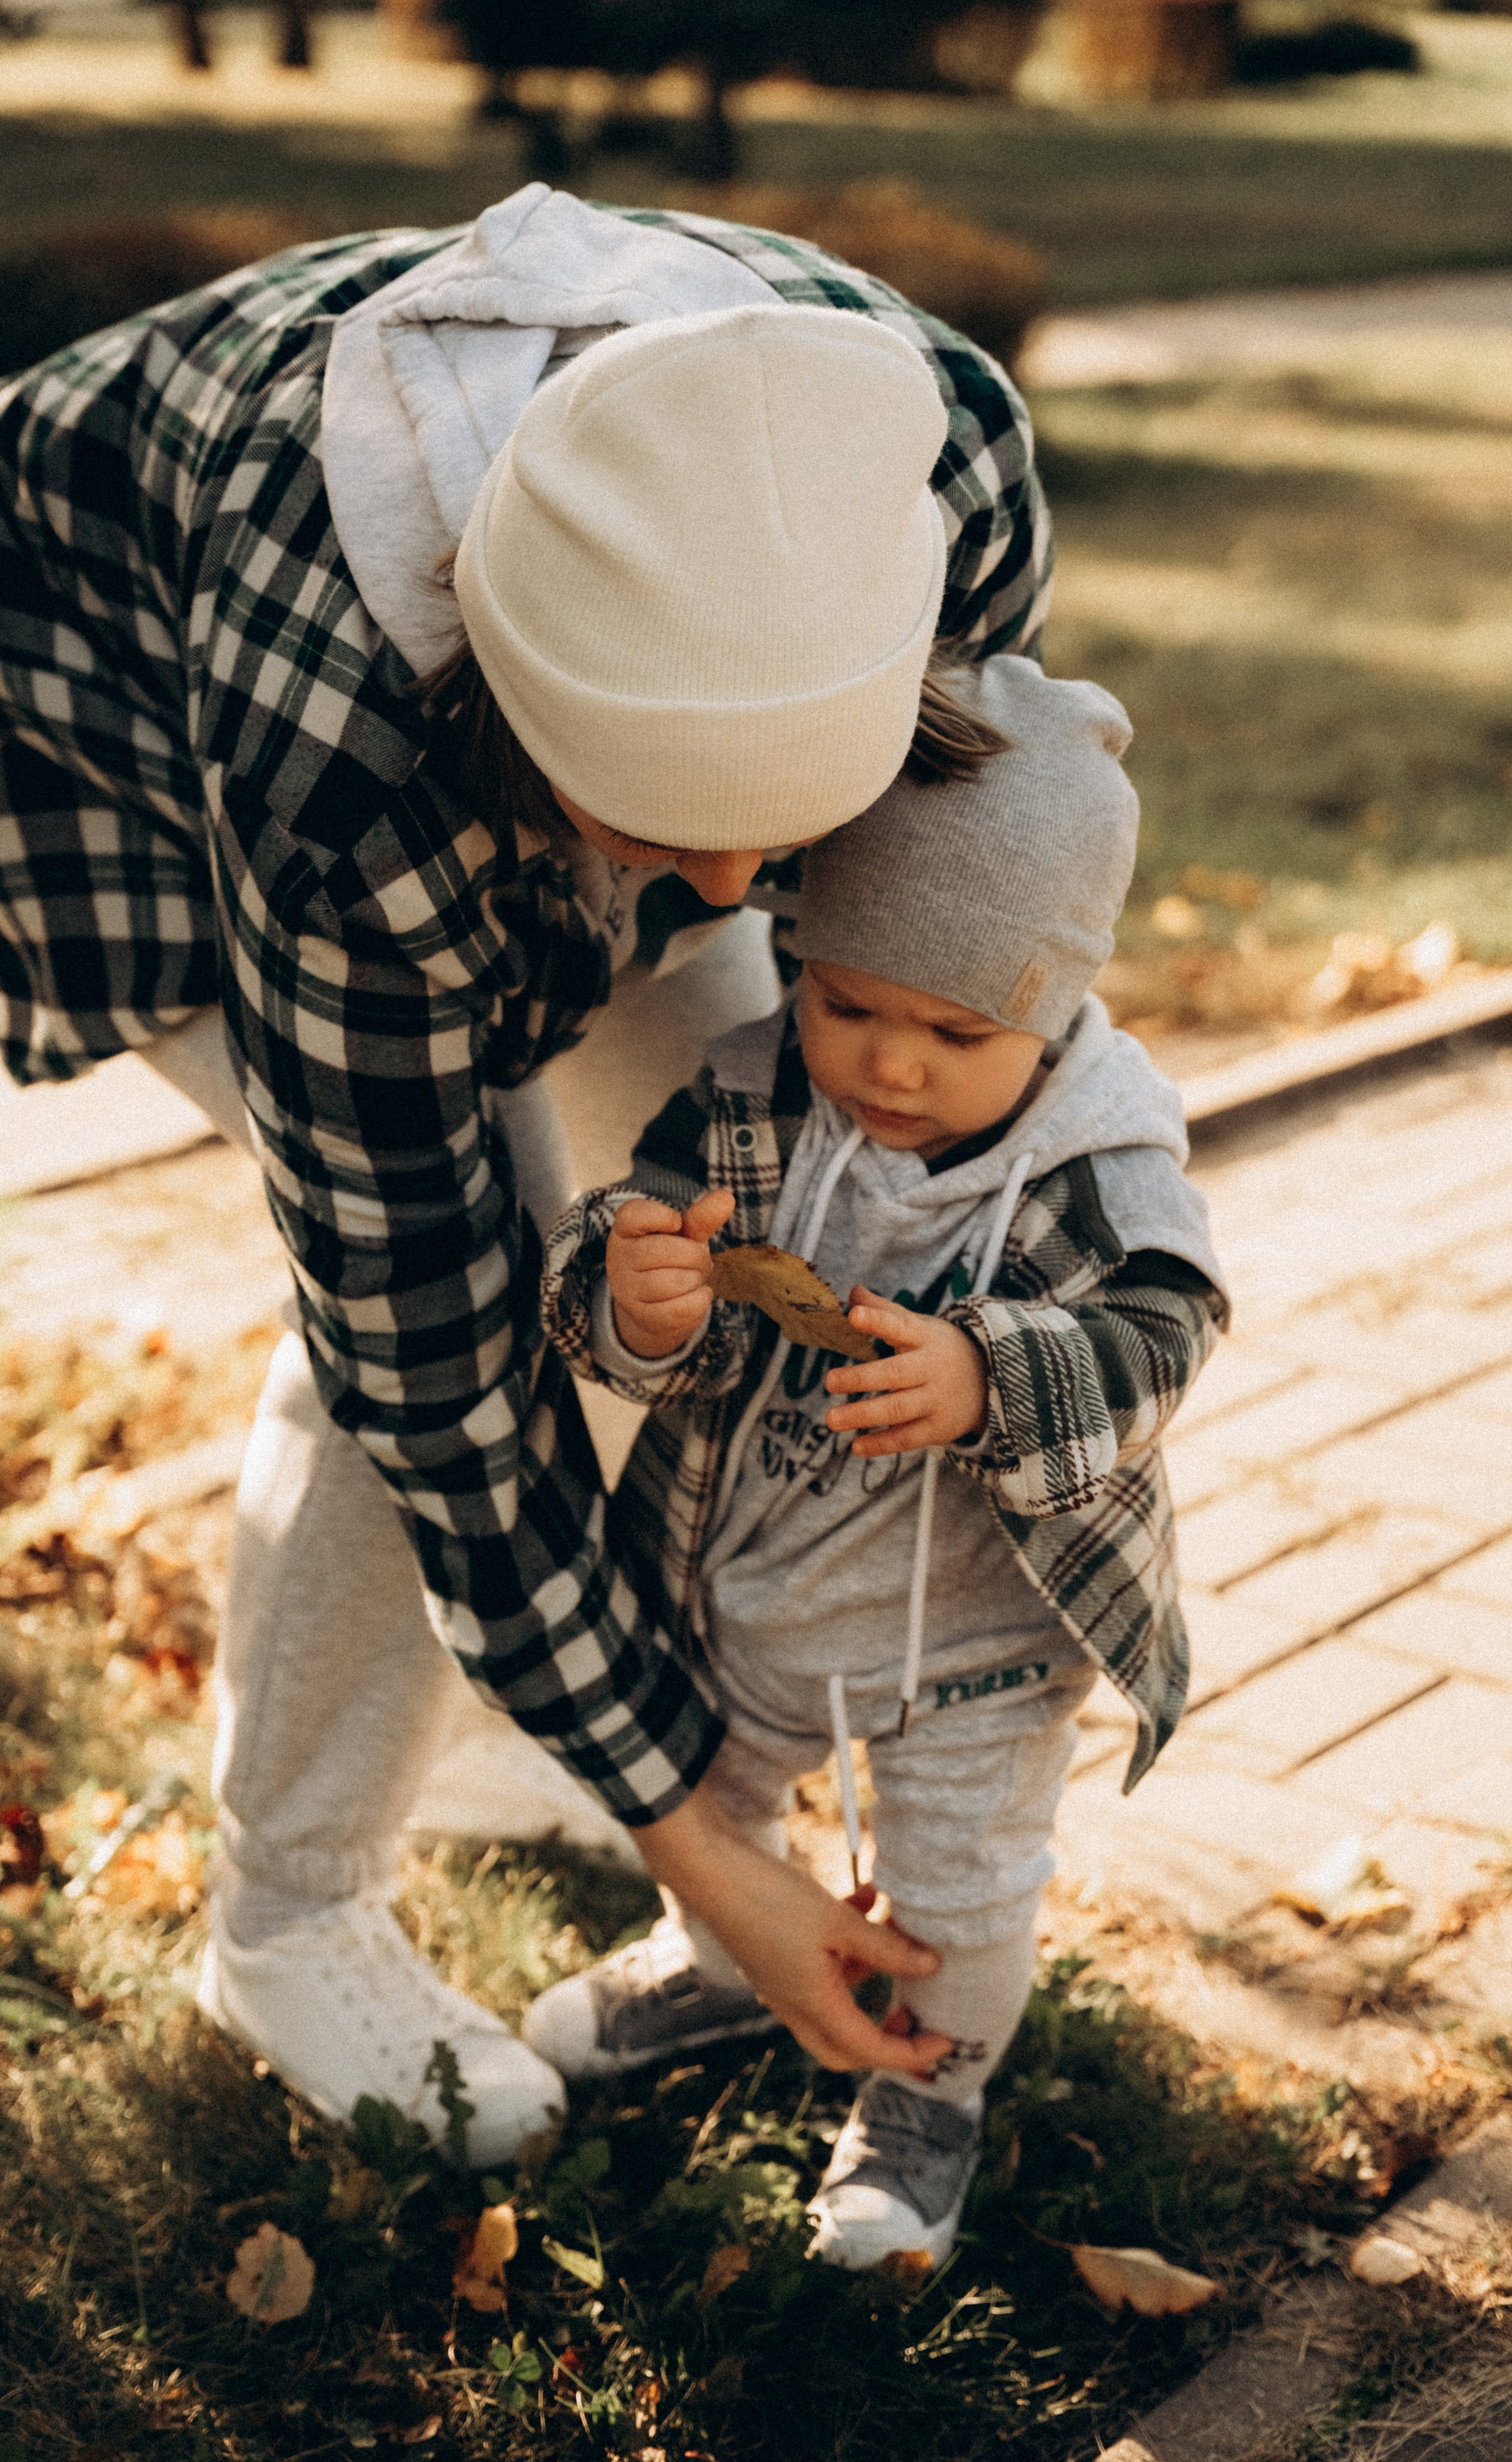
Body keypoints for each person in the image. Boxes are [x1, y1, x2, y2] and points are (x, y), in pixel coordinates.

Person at [0, 183, 1053, 2164]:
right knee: (501, 1264)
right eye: (661, 823)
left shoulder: (937, 461)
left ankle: (519, 1721)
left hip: (469, 713)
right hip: (80, 669)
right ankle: (288, 1904)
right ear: (511, 706)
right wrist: (702, 1838)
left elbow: (956, 853)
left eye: (779, 817)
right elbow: (420, 1337)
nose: (727, 897)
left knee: (696, 1213)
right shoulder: (342, 763)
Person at [531, 655, 1229, 2266]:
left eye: (953, 1028)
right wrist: (633, 1297)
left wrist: (992, 1368)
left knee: (964, 1897)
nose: (891, 1064)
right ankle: (710, 1954)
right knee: (704, 1797)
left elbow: (1160, 1335)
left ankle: (929, 2101)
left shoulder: (1095, 1163)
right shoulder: (747, 1096)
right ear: (800, 955)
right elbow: (640, 1276)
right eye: (847, 1002)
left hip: (973, 1643)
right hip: (747, 1570)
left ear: (1049, 1008)